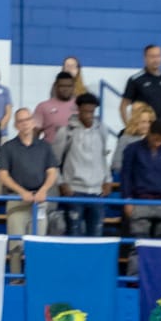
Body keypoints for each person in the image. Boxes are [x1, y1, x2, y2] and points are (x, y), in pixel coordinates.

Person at [0, 108, 59, 239]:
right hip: (16, 201)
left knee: (38, 245)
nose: (25, 123)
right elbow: (3, 175)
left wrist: (43, 190)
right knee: (15, 247)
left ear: (33, 122)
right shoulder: (8, 147)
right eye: (21, 121)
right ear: (15, 125)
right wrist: (22, 192)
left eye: (28, 119)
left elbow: (52, 172)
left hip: (39, 200)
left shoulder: (45, 146)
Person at [55, 94, 112, 237]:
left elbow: (103, 156)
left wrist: (108, 180)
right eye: (85, 111)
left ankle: (92, 260)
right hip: (74, 191)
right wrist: (61, 183)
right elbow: (54, 161)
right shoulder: (66, 131)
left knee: (96, 235)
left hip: (97, 192)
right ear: (78, 110)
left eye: (91, 112)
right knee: (73, 234)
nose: (88, 115)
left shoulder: (102, 130)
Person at [119, 120, 161, 238]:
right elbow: (126, 175)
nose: (158, 142)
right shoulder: (132, 149)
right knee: (139, 242)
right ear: (149, 133)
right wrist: (127, 200)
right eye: (155, 138)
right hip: (140, 201)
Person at [120, 44, 161, 128]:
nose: (156, 60)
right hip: (144, 130)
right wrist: (129, 127)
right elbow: (123, 106)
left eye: (158, 56)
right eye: (152, 56)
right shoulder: (136, 80)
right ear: (145, 58)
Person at [33, 70, 77, 144]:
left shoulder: (80, 106)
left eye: (69, 86)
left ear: (73, 87)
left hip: (74, 154)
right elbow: (34, 133)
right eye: (62, 86)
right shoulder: (43, 107)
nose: (66, 89)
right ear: (56, 86)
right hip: (50, 153)